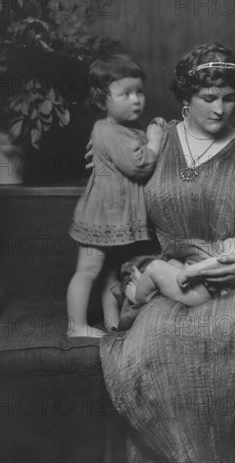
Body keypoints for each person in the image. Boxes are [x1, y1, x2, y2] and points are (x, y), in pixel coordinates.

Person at [99, 43, 235, 463]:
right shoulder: (153, 146)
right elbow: (111, 206)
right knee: (160, 343)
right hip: (173, 277)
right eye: (209, 98)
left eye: (229, 98)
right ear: (185, 97)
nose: (220, 109)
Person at [67, 54, 164, 337]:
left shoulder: (124, 128)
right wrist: (155, 141)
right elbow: (140, 166)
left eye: (139, 92)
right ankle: (76, 326)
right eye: (125, 93)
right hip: (100, 219)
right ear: (102, 102)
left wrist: (154, 129)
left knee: (111, 272)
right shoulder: (111, 132)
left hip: (114, 219)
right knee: (87, 271)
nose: (136, 100)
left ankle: (112, 321)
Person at [125, 201, 235, 307]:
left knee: (155, 268)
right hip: (203, 288)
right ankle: (152, 291)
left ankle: (139, 299)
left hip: (201, 294)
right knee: (172, 264)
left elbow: (218, 262)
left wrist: (191, 271)